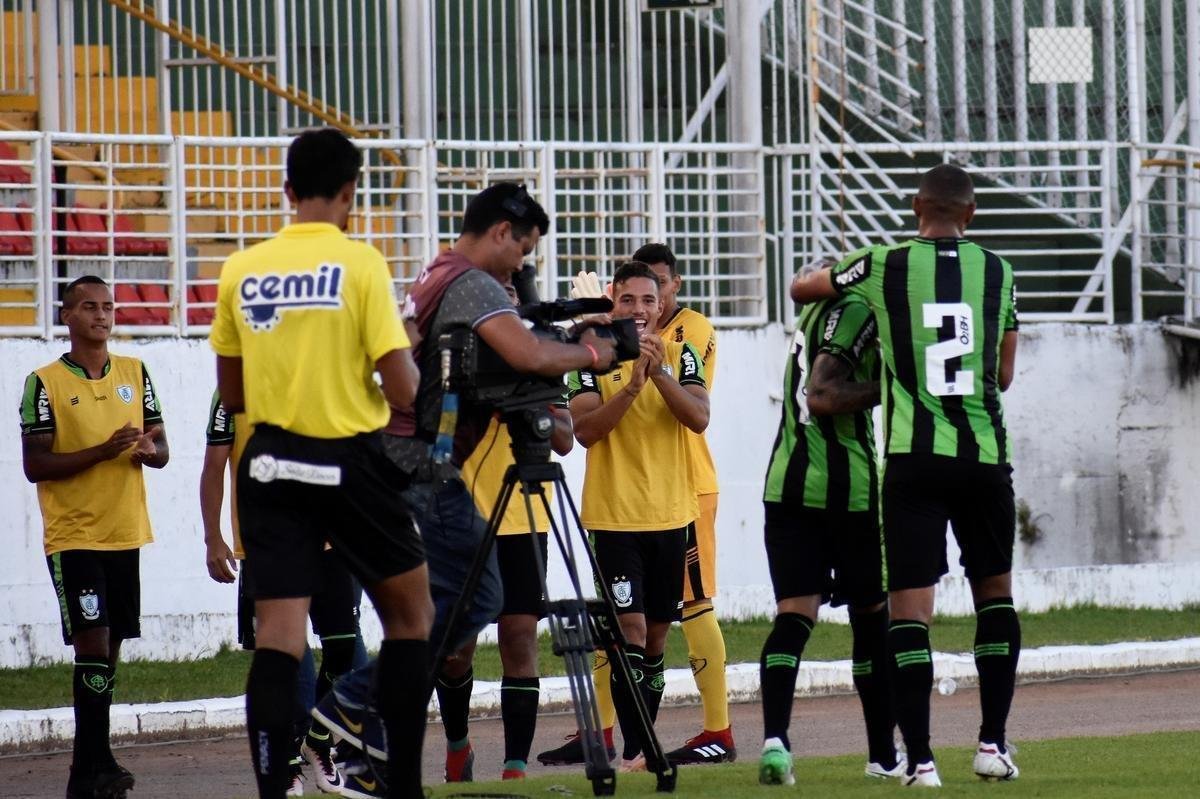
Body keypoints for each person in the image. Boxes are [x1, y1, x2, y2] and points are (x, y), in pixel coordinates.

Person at [312, 181, 617, 793]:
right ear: (502, 232)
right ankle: (347, 705)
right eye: (523, 248)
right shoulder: (472, 282)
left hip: (404, 464)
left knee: (426, 614)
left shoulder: (439, 271)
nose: (522, 264)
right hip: (423, 466)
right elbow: (527, 353)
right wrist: (591, 352)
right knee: (477, 600)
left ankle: (364, 745)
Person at [209, 128, 430, 799]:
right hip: (347, 458)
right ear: (348, 194)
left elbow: (234, 392)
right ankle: (404, 785)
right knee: (412, 616)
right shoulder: (359, 264)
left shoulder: (240, 268)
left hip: (269, 462)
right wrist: (402, 347)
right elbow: (402, 392)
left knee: (278, 638)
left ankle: (274, 791)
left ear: (286, 191)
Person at [791, 164, 1021, 787]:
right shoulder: (998, 271)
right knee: (994, 597)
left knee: (909, 612)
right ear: (970, 214)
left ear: (916, 205)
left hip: (912, 464)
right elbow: (1002, 375)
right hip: (983, 458)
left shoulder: (880, 264)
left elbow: (803, 289)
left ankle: (919, 761)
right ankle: (992, 745)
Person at [19, 275, 169, 799]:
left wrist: (149, 452)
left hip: (125, 530)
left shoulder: (135, 372)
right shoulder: (44, 383)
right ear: (68, 315)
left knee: (111, 650)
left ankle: (92, 767)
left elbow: (162, 446)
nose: (102, 316)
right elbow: (35, 463)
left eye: (108, 307)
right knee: (93, 640)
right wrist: (102, 452)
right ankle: (93, 766)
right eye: (89, 306)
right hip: (75, 536)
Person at [757, 266, 903, 786]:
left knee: (794, 618)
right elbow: (821, 395)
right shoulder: (858, 310)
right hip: (846, 491)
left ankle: (776, 741)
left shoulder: (813, 310)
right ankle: (883, 756)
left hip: (786, 487)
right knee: (871, 620)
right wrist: (888, 385)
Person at [567, 260, 710, 772]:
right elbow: (583, 431)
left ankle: (639, 749)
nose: (640, 311)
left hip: (672, 516)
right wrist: (630, 386)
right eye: (629, 301)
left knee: (655, 638)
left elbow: (698, 418)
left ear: (661, 304)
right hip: (614, 518)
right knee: (627, 628)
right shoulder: (591, 356)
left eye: (649, 301)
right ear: (613, 302)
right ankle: (636, 748)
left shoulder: (681, 352)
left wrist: (659, 374)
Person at [200, 390, 368, 796]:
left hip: (332, 540)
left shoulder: (325, 377)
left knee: (345, 649)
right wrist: (213, 538)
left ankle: (317, 741)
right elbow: (214, 464)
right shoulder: (234, 390)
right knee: (286, 657)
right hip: (268, 544)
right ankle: (287, 761)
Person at [456, 280, 576, 780]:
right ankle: (458, 746)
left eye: (510, 293)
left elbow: (566, 439)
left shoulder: (540, 352)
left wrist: (537, 408)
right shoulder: (460, 350)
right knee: (456, 646)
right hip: (463, 517)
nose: (502, 300)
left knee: (520, 637)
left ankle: (515, 765)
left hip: (524, 515)